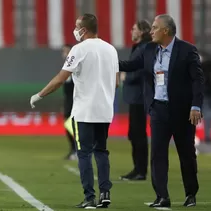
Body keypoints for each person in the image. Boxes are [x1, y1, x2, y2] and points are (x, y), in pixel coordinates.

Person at [30, 13, 119, 209]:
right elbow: (117, 82)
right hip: (104, 110)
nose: (75, 30)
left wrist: (39, 95)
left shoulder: (79, 49)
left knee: (84, 153)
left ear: (84, 30)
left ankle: (89, 197)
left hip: (84, 111)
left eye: (77, 26)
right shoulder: (111, 50)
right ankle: (105, 193)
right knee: (102, 151)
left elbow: (61, 78)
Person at [119, 14, 204, 208]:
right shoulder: (149, 49)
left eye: (155, 27)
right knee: (157, 154)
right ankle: (162, 196)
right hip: (158, 109)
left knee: (186, 154)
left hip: (182, 112)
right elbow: (130, 65)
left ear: (166, 31)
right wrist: (106, 60)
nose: (151, 31)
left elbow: (198, 80)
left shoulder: (187, 50)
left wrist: (196, 106)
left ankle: (191, 193)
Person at [120, 20, 151, 181]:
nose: (131, 31)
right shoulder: (139, 47)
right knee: (134, 133)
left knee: (138, 133)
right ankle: (137, 168)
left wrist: (127, 76)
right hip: (136, 96)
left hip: (140, 96)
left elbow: (141, 69)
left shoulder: (144, 48)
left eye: (133, 28)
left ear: (141, 32)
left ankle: (140, 170)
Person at [61, 44, 77, 160]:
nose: (65, 54)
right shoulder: (66, 68)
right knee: (68, 125)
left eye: (67, 51)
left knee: (74, 127)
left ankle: (77, 150)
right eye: (64, 52)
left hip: (75, 101)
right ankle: (73, 149)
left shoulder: (75, 67)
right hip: (68, 101)